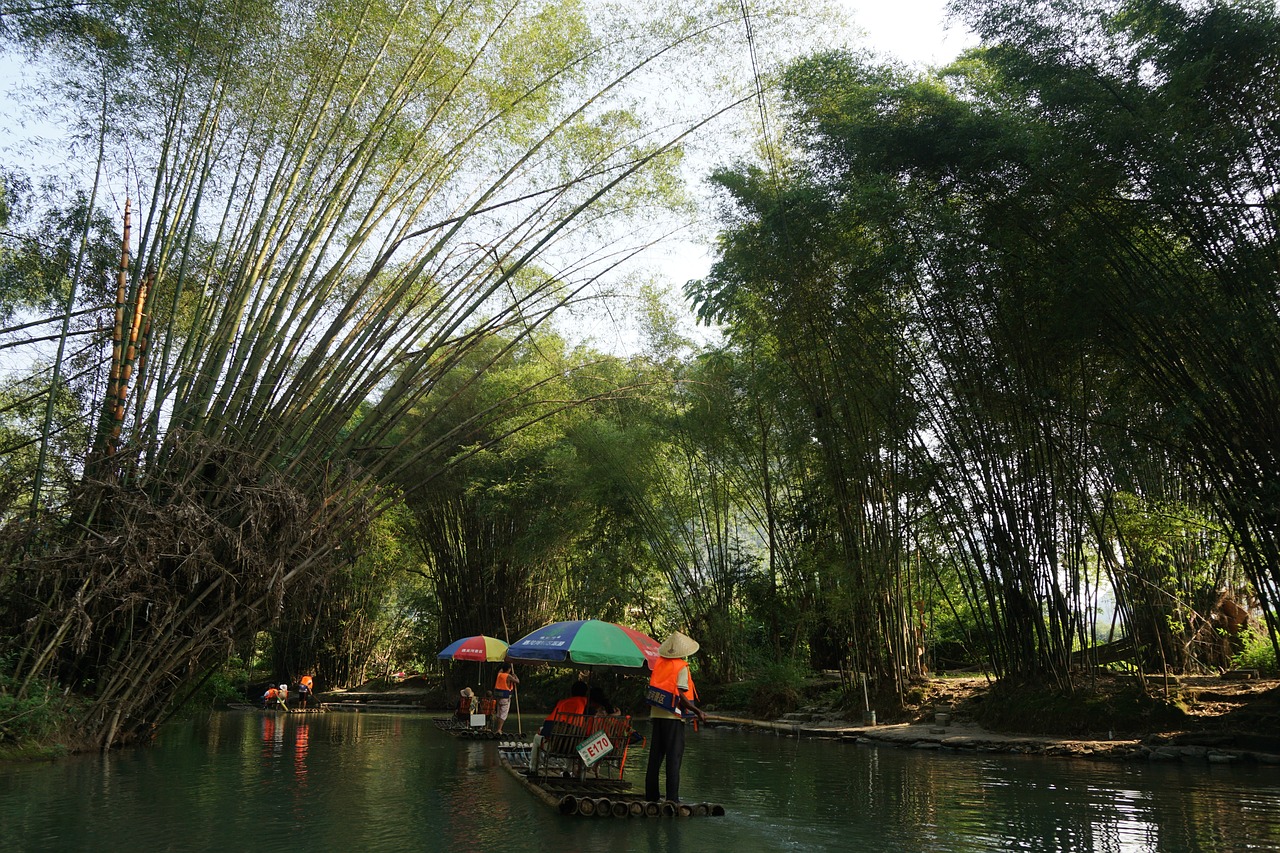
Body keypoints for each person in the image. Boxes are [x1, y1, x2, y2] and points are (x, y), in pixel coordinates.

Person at [644, 631, 705, 803]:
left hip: (657, 714)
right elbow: (680, 695)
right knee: (674, 757)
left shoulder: (659, 664)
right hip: (674, 717)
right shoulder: (681, 667)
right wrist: (697, 711)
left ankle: (651, 797)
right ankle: (672, 799)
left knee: (655, 757)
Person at [493, 663, 520, 734]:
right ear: (509, 669)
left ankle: (498, 729)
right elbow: (517, 681)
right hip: (505, 698)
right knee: (503, 714)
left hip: (498, 697)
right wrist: (515, 676)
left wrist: (506, 663)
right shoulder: (508, 676)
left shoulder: (499, 674)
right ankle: (499, 729)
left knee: (499, 713)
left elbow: (501, 670)